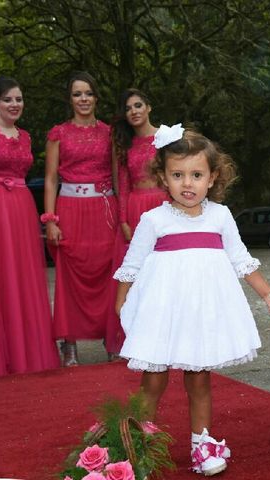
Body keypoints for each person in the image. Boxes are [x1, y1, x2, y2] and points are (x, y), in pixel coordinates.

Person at [114, 124, 270, 476]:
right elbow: (131, 265)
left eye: (196, 175)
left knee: (199, 378)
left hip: (201, 313)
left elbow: (242, 261)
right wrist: (122, 304)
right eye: (177, 175)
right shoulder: (154, 220)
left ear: (212, 177)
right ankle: (140, 448)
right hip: (163, 312)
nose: (187, 183)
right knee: (153, 379)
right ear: (162, 177)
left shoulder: (220, 217)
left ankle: (202, 444)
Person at [44, 71, 117, 366]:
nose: (83, 99)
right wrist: (50, 219)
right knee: (69, 274)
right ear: (70, 99)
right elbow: (50, 179)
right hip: (70, 209)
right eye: (77, 94)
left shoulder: (110, 133)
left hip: (104, 209)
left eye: (88, 93)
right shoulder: (58, 133)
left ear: (96, 97)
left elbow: (116, 175)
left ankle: (111, 338)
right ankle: (69, 342)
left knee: (107, 272)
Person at [0, 76, 60, 376]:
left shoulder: (26, 137)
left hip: (21, 207)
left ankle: (27, 354)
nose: (14, 104)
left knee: (22, 275)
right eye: (8, 99)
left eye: (18, 99)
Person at [105, 88, 168, 355]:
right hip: (135, 209)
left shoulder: (166, 137)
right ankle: (133, 340)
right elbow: (123, 186)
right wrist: (123, 220)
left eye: (138, 105)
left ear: (149, 107)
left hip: (164, 204)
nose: (134, 111)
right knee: (134, 276)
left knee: (163, 273)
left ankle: (165, 336)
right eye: (129, 108)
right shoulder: (124, 144)